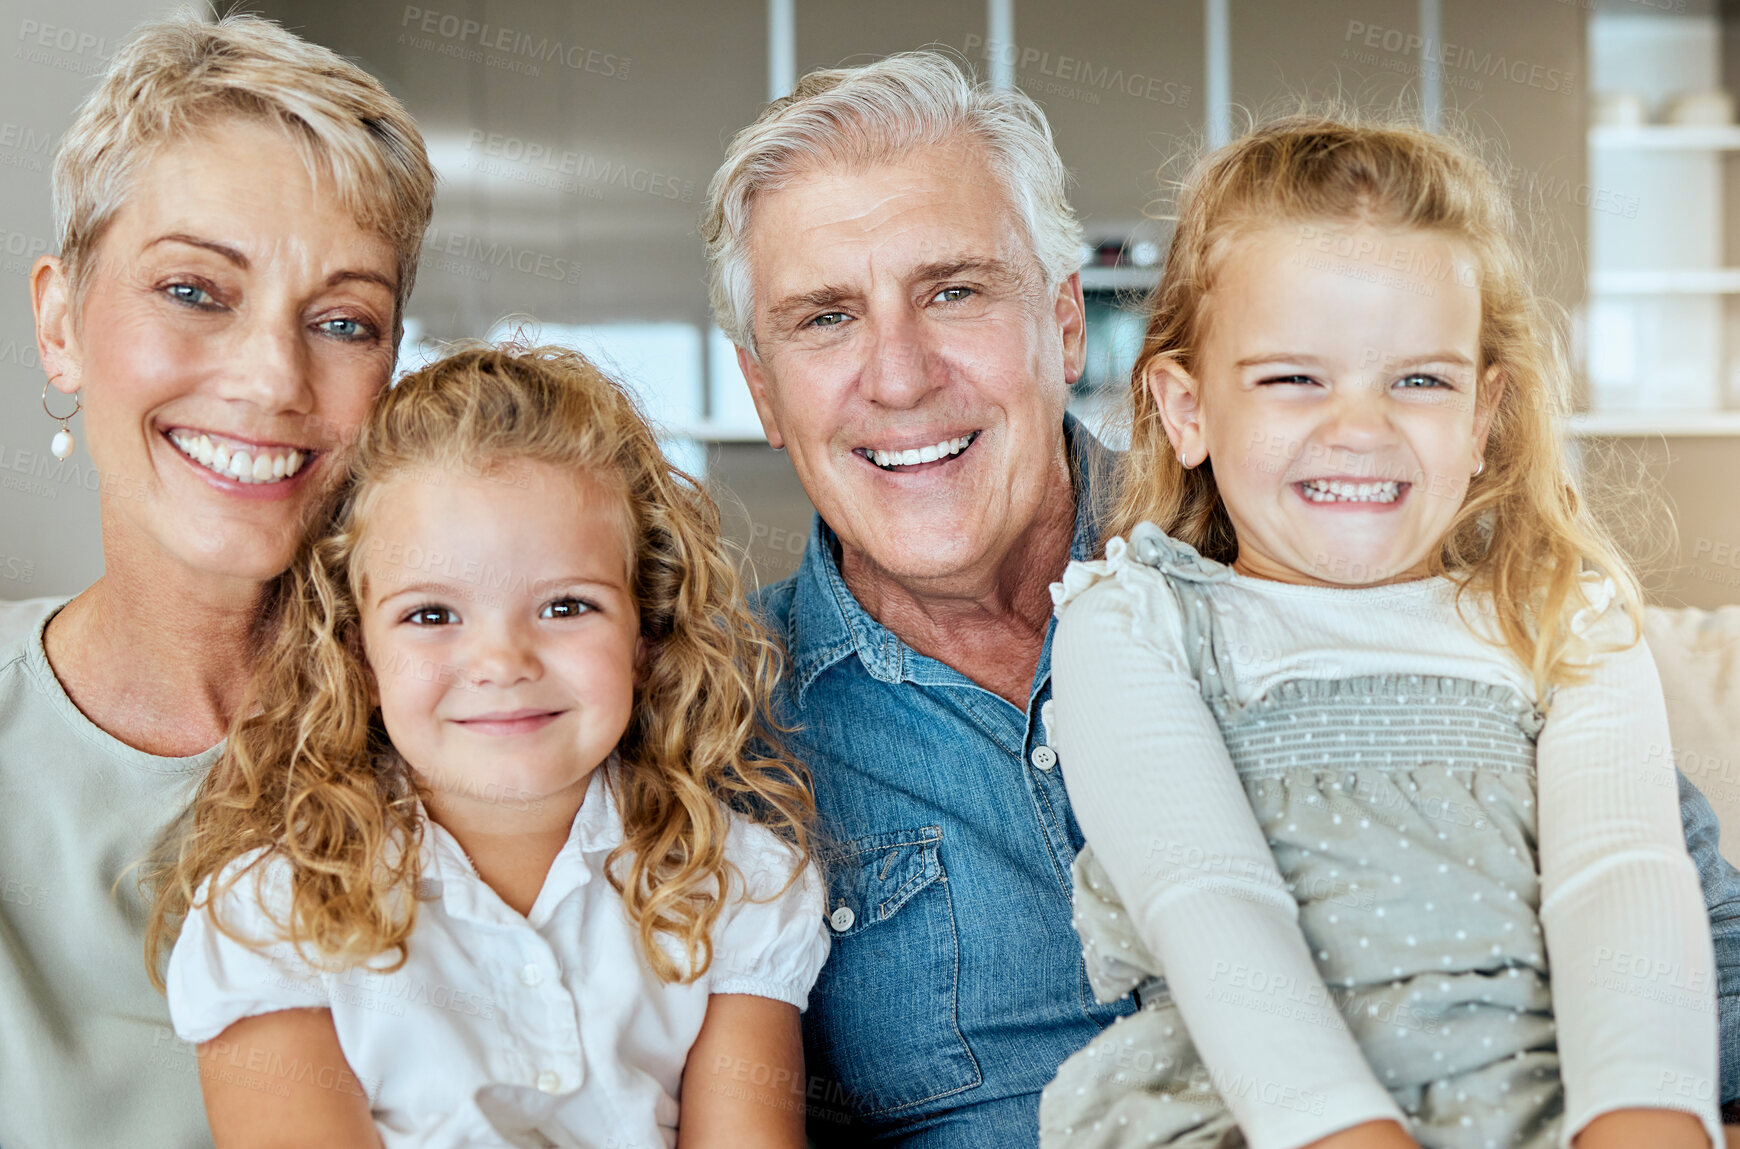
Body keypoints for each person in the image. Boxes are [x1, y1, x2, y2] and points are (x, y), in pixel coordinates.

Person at [701, 52, 1740, 1146]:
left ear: (1063, 324)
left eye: (953, 291)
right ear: (763, 390)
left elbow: (1690, 974)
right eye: (824, 319)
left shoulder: (1395, 580)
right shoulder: (717, 716)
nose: (900, 375)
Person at [1043, 117, 1720, 1149]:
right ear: (1185, 409)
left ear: (1486, 409)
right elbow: (1210, 901)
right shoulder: (1134, 622)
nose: (1360, 427)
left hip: (1534, 1108)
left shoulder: (1560, 616)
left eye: (1420, 379)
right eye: (1292, 378)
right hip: (1256, 1116)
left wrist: (1644, 1125)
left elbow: (1619, 877)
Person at [147, 345, 828, 1147]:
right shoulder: (270, 916)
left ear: (646, 631)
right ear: (357, 655)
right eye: (432, 615)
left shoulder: (738, 888)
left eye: (567, 605)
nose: (503, 663)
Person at [1, 13, 434, 1146]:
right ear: (58, 321)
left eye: (343, 321)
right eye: (195, 290)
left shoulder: (486, 712)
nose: (272, 378)